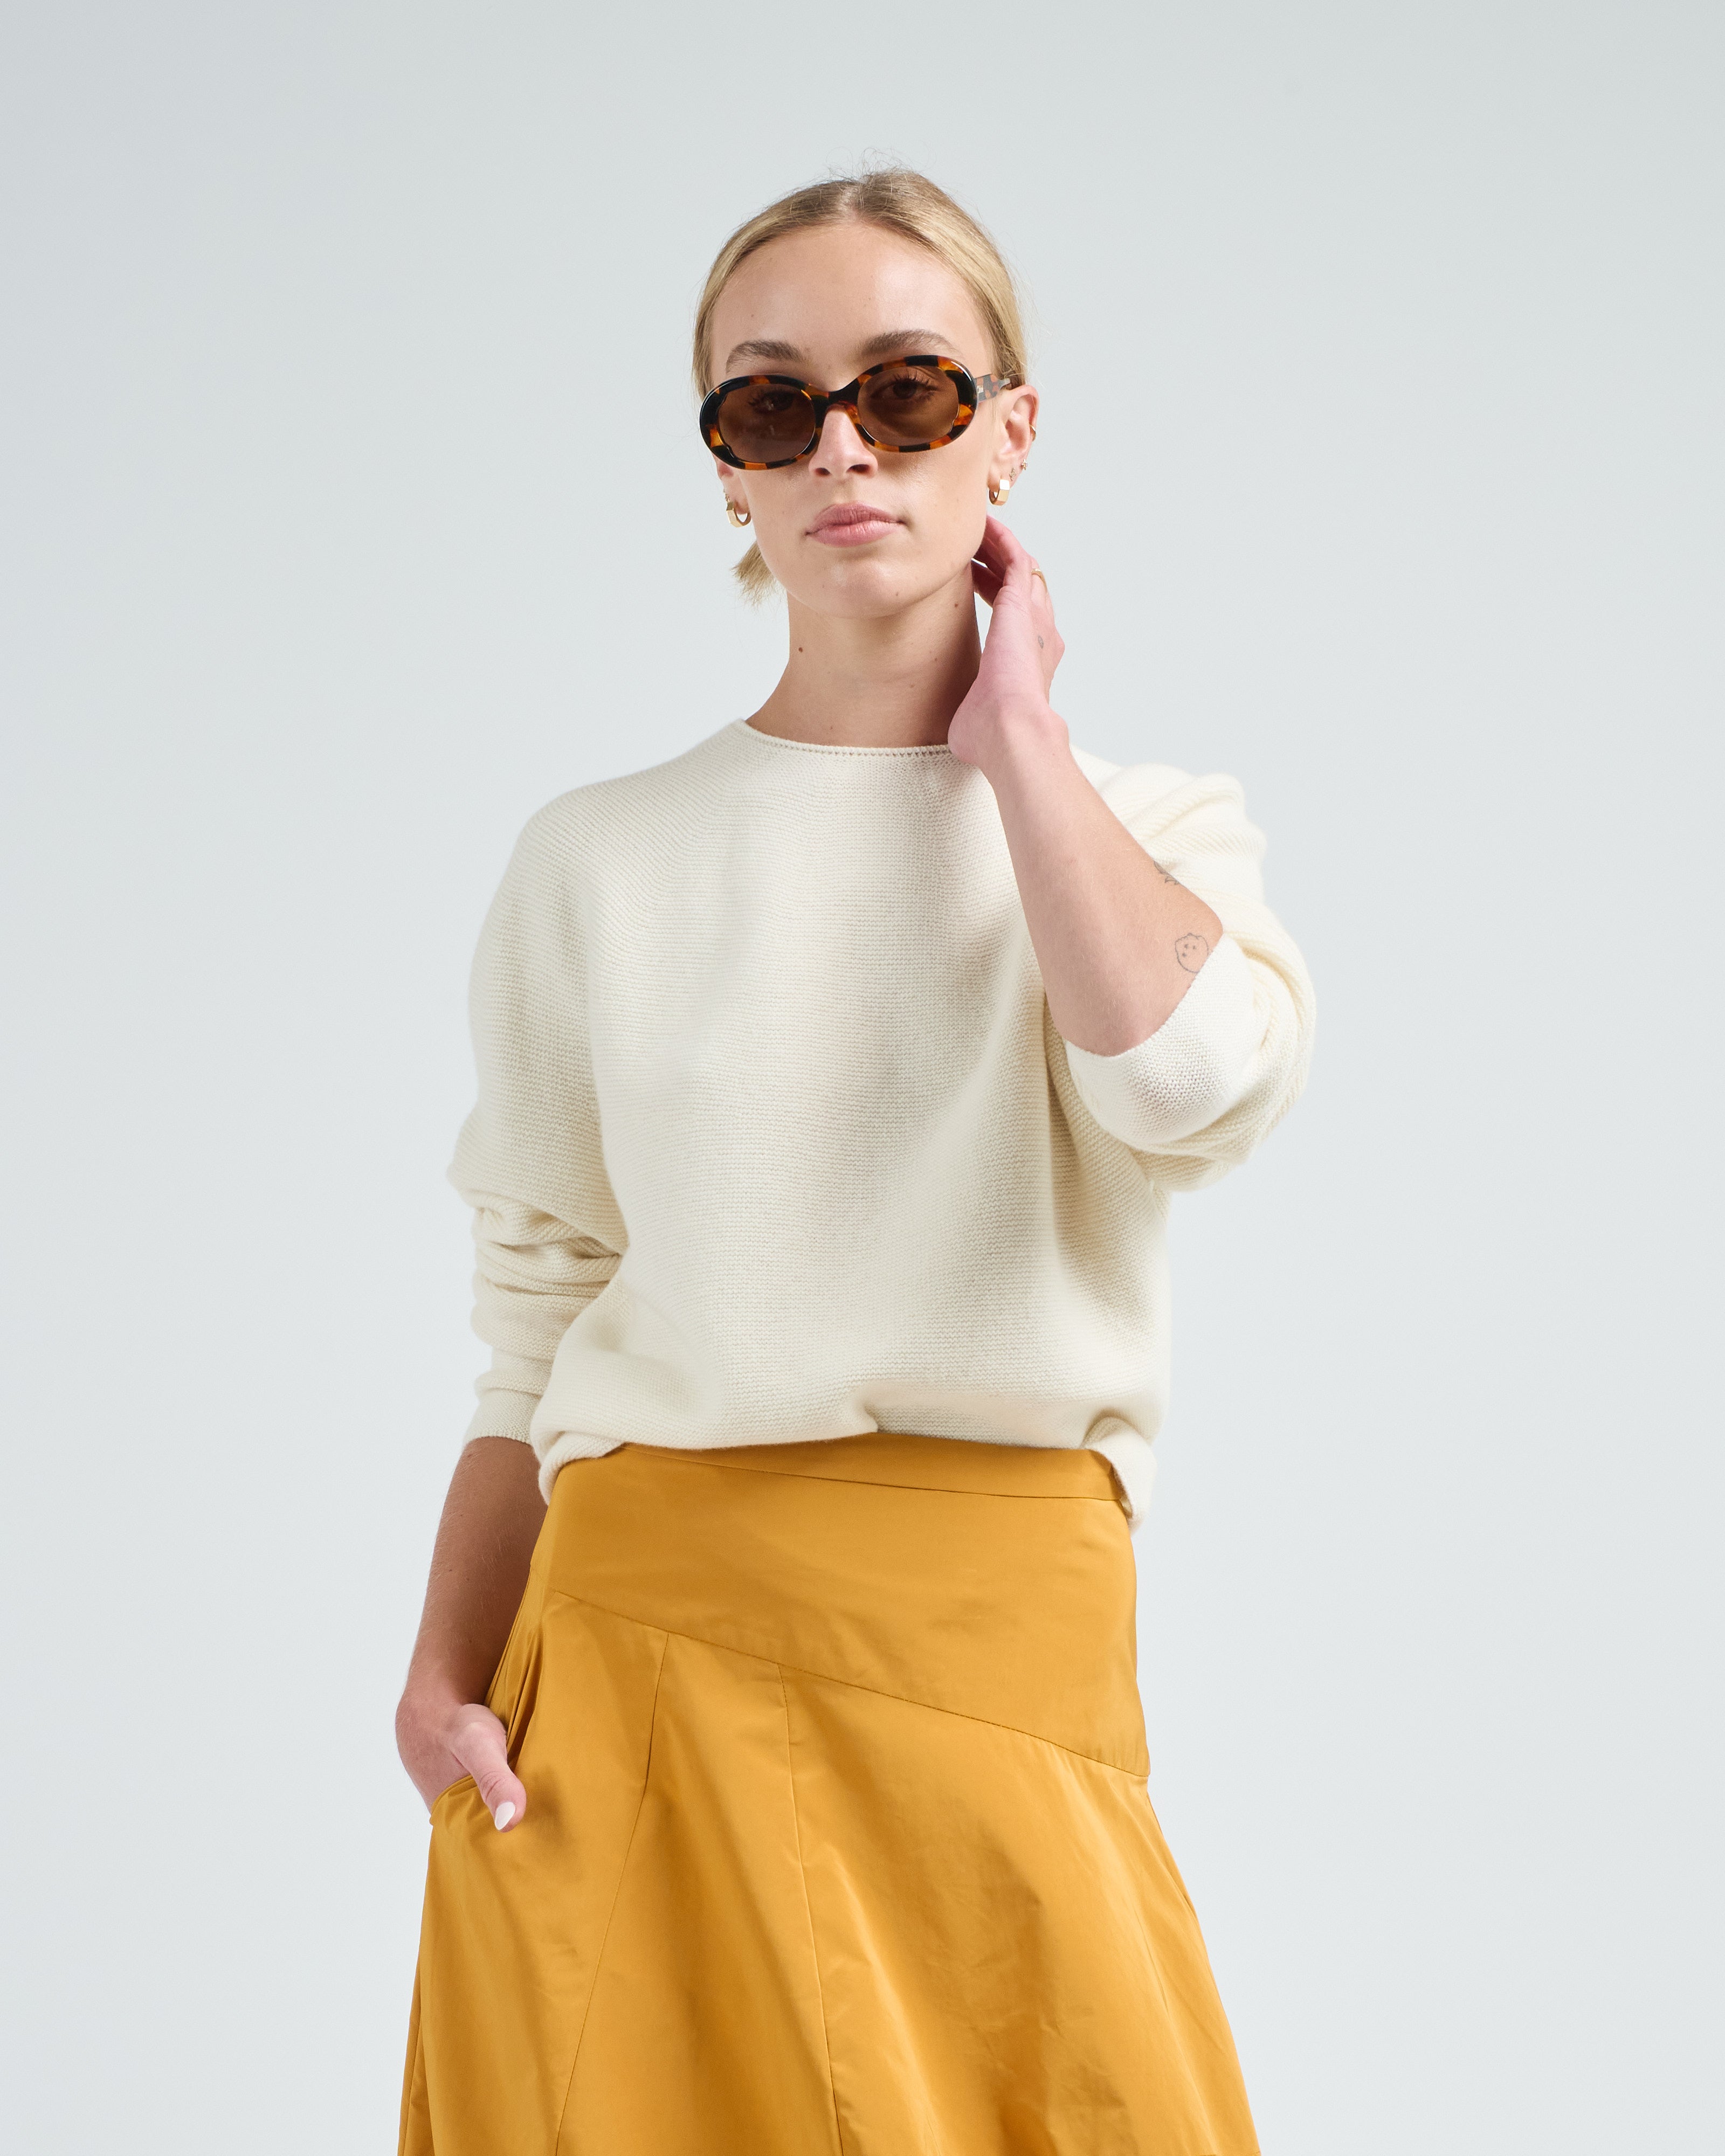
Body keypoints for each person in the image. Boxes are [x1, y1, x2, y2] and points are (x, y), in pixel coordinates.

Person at [394, 167, 1314, 2155]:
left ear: (1009, 427)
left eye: (906, 391)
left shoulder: (1149, 830)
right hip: (627, 1663)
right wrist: (445, 1666)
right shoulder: (597, 859)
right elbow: (539, 1314)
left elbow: (1187, 1091)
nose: (841, 449)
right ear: (724, 463)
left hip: (996, 1638)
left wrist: (1023, 752)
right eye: (772, 402)